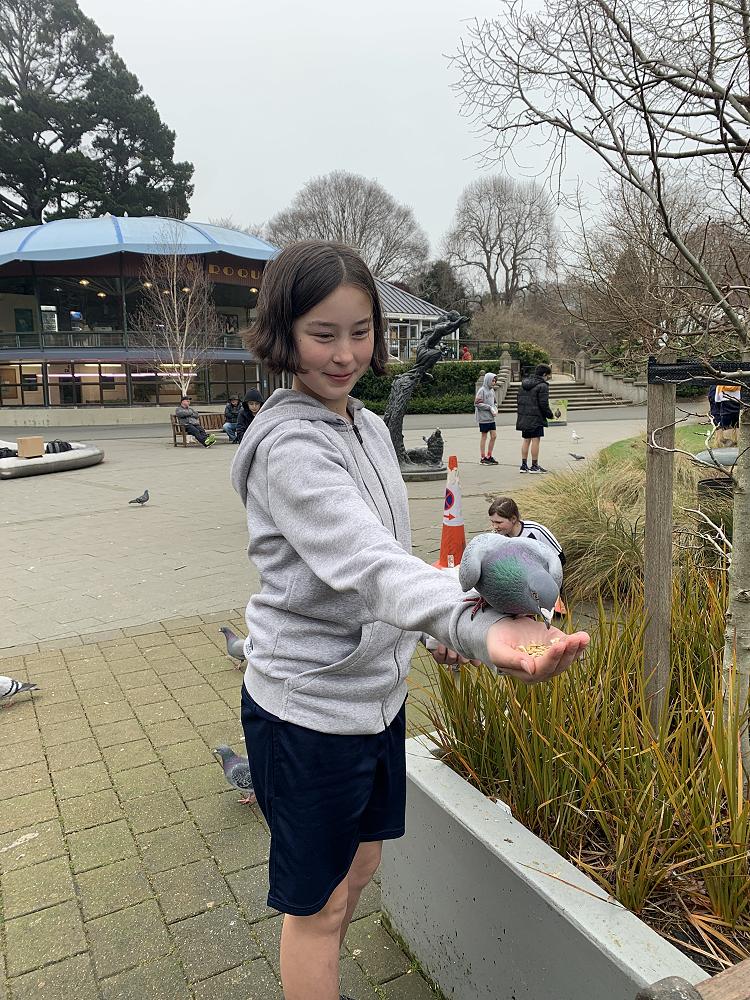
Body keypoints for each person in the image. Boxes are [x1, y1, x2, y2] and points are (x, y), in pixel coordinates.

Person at [229, 240, 589, 1000]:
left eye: (360, 332)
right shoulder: (289, 447)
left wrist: (430, 627)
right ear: (283, 332)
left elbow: (394, 562)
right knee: (320, 908)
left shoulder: (362, 426)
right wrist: (473, 628)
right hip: (309, 712)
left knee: (361, 867)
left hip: (376, 701)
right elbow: (370, 565)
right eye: (322, 334)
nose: (345, 354)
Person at [516, 363, 554, 473]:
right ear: (544, 374)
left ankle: (523, 466)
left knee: (526, 440)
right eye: (548, 375)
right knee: (535, 440)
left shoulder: (524, 384)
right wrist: (550, 415)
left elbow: (519, 400)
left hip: (524, 417)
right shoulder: (543, 386)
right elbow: (543, 404)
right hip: (536, 418)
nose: (548, 378)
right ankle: (534, 465)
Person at [474, 371, 499, 465]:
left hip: (491, 417)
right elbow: (477, 403)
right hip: (483, 418)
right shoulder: (482, 390)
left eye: (495, 381)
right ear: (488, 380)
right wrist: (489, 407)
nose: (494, 382)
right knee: (484, 436)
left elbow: (495, 402)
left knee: (494, 436)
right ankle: (483, 457)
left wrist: (495, 408)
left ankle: (489, 456)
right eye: (492, 380)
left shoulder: (492, 391)